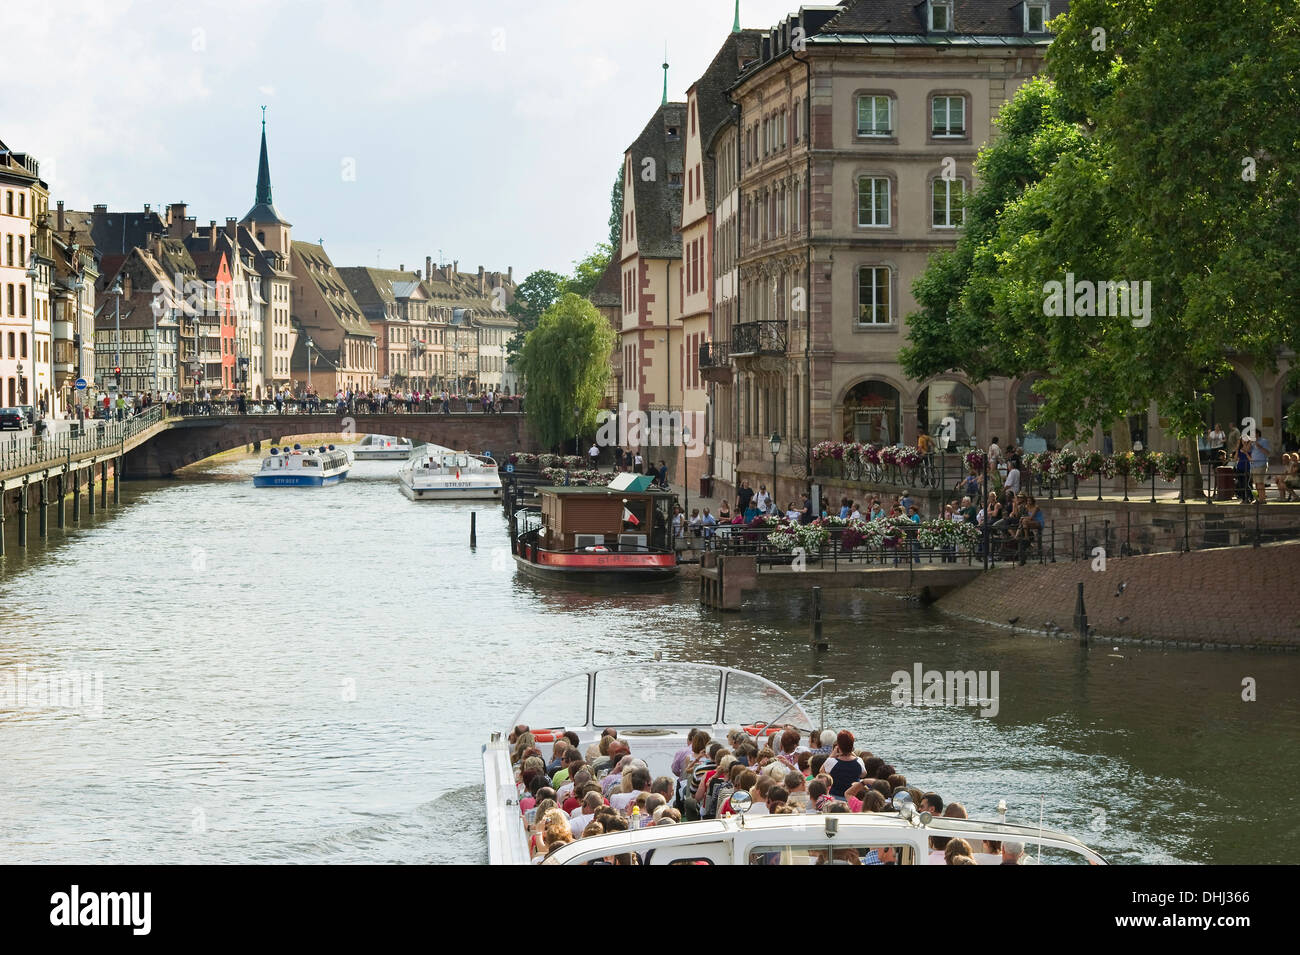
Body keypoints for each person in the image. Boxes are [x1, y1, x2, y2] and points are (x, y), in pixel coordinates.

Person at [1248, 436, 1271, 502]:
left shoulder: (1264, 441)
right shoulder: (1252, 443)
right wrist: (1250, 442)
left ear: (1257, 434)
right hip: (1253, 465)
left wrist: (1259, 447)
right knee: (1256, 483)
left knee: (1260, 482)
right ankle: (1259, 498)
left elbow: (1268, 453)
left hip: (1261, 464)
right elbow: (1246, 450)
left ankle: (1262, 499)